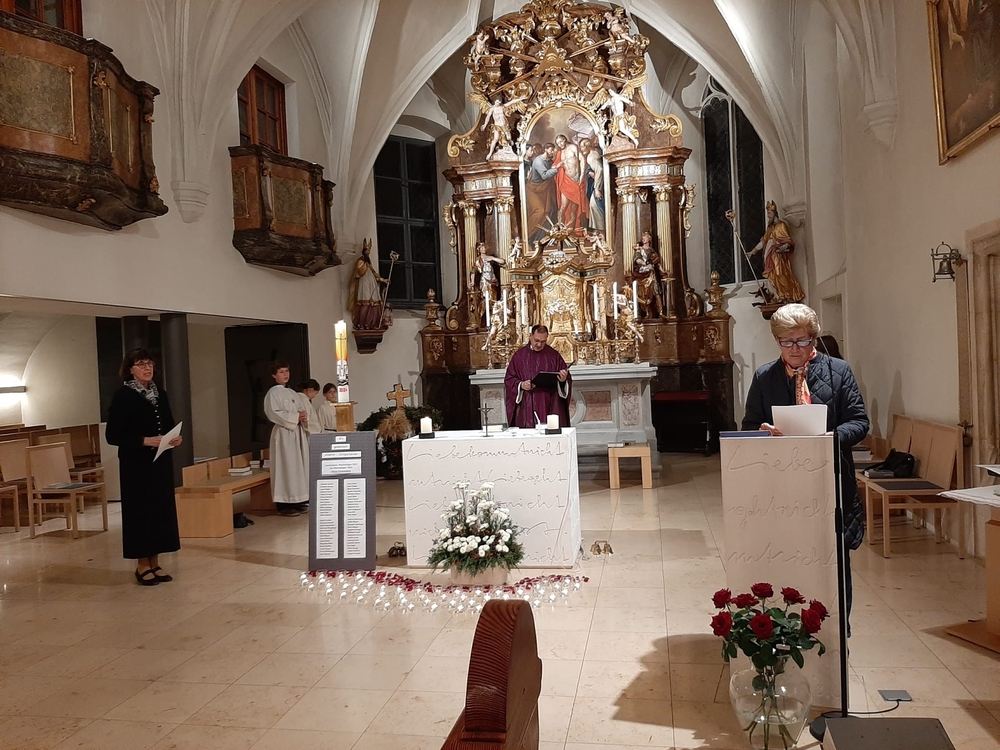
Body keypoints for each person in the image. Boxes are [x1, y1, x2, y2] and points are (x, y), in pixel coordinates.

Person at [742, 303, 869, 632]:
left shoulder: (838, 371)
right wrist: (762, 431)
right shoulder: (765, 376)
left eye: (802, 341)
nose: (795, 349)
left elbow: (859, 422)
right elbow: (749, 424)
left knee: (833, 561)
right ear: (777, 341)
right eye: (786, 342)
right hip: (781, 486)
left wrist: (831, 437)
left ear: (814, 339)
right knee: (787, 557)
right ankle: (788, 628)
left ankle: (838, 631)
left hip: (830, 481)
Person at [105, 349, 182, 586]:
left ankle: (155, 562)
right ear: (130, 370)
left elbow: (168, 423)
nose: (147, 368)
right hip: (136, 465)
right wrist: (145, 440)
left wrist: (174, 438)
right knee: (141, 513)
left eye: (149, 364)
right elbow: (112, 435)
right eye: (141, 364)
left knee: (160, 511)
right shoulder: (123, 396)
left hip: (160, 462)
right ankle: (142, 565)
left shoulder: (160, 393)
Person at [265, 361, 315, 516]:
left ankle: (298, 500)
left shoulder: (293, 393)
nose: (285, 374)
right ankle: (284, 504)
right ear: (274, 375)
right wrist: (294, 417)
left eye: (286, 371)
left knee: (298, 468)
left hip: (297, 433)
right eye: (281, 372)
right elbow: (273, 412)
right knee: (286, 468)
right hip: (284, 434)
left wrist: (303, 416)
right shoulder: (273, 393)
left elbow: (302, 410)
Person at [504, 325, 571, 428]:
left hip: (548, 403)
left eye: (543, 341)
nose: (539, 344)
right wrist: (521, 385)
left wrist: (563, 380)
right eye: (536, 340)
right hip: (527, 404)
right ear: (530, 336)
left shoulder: (554, 355)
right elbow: (509, 379)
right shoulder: (519, 356)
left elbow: (566, 378)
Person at [750, 201, 805, 303]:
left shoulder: (781, 225)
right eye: (767, 214)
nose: (768, 216)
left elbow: (787, 240)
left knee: (780, 274)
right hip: (769, 255)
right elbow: (764, 241)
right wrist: (753, 251)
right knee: (773, 276)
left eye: (770, 213)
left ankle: (788, 295)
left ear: (775, 213)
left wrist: (784, 246)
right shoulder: (770, 228)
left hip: (778, 254)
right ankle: (780, 295)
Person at [347, 239, 388, 329]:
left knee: (373, 303)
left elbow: (373, 273)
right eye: (367, 250)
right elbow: (358, 272)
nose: (368, 252)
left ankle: (370, 323)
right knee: (364, 302)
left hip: (371, 283)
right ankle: (361, 323)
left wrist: (383, 280)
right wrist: (364, 267)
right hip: (364, 283)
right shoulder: (361, 261)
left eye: (369, 250)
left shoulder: (368, 262)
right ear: (364, 251)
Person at [526, 142, 558, 243]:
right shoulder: (538, 161)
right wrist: (556, 168)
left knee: (546, 212)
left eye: (553, 150)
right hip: (533, 189)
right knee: (539, 211)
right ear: (546, 150)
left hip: (543, 190)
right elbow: (544, 175)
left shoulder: (548, 161)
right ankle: (527, 236)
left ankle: (537, 238)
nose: (553, 152)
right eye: (551, 150)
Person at [553, 134, 587, 228]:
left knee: (574, 209)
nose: (560, 144)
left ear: (564, 139)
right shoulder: (560, 153)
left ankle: (571, 230)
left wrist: (582, 175)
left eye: (561, 141)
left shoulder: (573, 147)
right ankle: (560, 229)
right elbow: (554, 166)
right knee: (563, 207)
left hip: (576, 180)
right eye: (558, 143)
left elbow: (582, 159)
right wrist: (558, 165)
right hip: (566, 181)